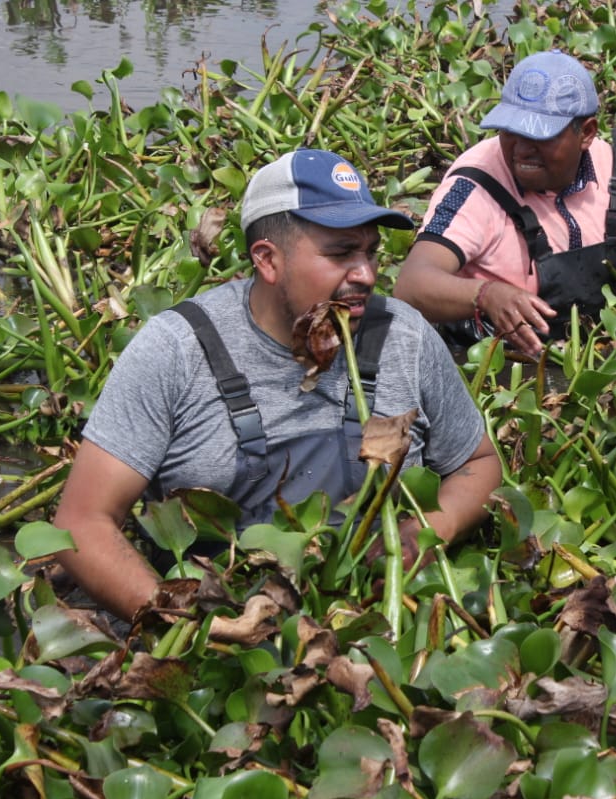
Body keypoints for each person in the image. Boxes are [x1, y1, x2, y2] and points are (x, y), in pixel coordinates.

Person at [54, 149, 502, 620]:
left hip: (370, 620)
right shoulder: (175, 350)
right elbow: (82, 523)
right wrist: (190, 627)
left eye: (371, 251)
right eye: (341, 253)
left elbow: (478, 461)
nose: (367, 275)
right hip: (209, 625)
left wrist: (435, 526)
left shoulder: (404, 335)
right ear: (268, 260)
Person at [394, 49, 616, 357]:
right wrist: (486, 295)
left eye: (538, 135)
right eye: (510, 131)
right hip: (493, 359)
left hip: (592, 349)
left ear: (587, 133)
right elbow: (411, 286)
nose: (520, 149)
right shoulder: (476, 185)